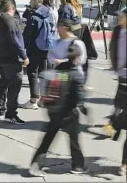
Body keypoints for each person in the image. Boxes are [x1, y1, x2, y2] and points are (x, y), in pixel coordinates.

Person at [29, 44, 87, 177]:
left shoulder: (60, 68)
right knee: (74, 140)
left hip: (54, 110)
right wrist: (84, 109)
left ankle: (35, 166)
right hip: (69, 113)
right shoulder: (76, 74)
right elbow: (79, 96)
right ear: (77, 58)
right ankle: (78, 166)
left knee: (47, 139)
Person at [0, 0, 29, 124]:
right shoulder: (12, 22)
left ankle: (0, 111)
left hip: (0, 58)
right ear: (12, 8)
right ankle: (11, 114)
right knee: (14, 87)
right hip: (12, 59)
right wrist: (24, 56)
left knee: (2, 86)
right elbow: (16, 41)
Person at [20, 0, 55, 110]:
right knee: (43, 72)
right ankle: (43, 99)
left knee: (32, 73)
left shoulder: (34, 16)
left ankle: (33, 100)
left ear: (36, 1)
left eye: (31, 1)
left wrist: (24, 47)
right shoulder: (49, 13)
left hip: (35, 47)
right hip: (46, 47)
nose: (30, 3)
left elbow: (28, 34)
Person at [106, 7, 126, 176]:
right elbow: (113, 47)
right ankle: (115, 125)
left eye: (122, 17)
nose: (119, 19)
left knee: (121, 109)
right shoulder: (118, 30)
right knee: (119, 105)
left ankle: (124, 164)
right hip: (123, 76)